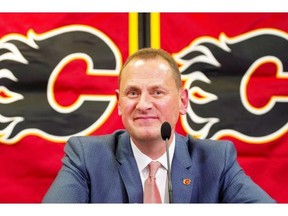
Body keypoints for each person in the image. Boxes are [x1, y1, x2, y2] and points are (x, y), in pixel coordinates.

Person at [42, 48, 275, 203]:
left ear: (183, 101)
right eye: (132, 93)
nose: (143, 104)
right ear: (119, 104)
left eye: (157, 92)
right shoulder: (86, 157)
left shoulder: (217, 160)